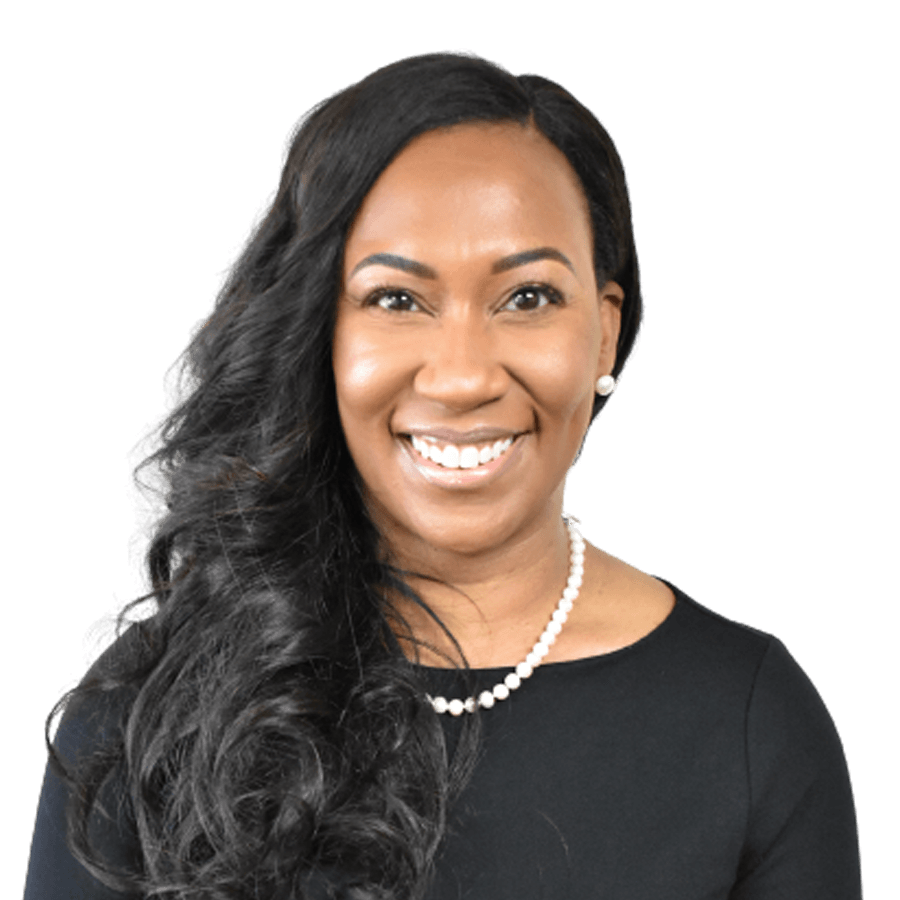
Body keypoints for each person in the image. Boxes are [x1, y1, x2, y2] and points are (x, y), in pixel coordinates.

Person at [22, 49, 862, 900]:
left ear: (603, 335)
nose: (463, 377)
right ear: (321, 332)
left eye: (527, 297)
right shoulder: (144, 726)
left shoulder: (750, 725)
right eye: (397, 300)